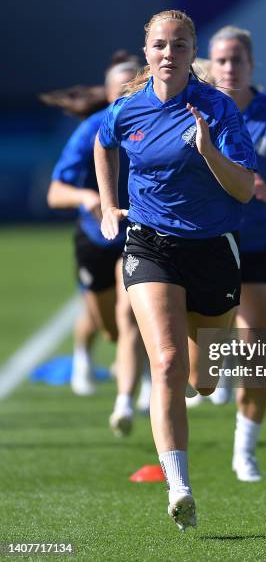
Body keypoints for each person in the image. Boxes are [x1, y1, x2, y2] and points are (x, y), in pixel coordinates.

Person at [94, 10, 256, 531]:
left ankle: (203, 377)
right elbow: (103, 142)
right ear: (147, 53)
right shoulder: (127, 110)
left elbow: (244, 188)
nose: (169, 54)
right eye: (160, 45)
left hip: (212, 248)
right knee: (164, 363)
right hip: (150, 243)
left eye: (179, 45)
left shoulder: (219, 109)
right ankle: (179, 486)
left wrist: (208, 149)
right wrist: (106, 204)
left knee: (203, 381)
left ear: (192, 52)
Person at [187, 26, 266, 483]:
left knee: (258, 349)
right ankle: (209, 370)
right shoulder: (194, 109)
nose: (228, 68)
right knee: (200, 349)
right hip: (206, 241)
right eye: (221, 60)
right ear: (209, 64)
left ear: (252, 64)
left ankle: (245, 450)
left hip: (260, 245)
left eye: (237, 59)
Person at [47, 53, 148, 436]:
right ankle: (85, 358)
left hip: (140, 236)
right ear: (105, 94)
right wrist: (87, 199)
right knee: (110, 328)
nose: (125, 91)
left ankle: (135, 394)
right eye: (117, 86)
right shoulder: (90, 131)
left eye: (132, 83)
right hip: (95, 238)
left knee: (131, 315)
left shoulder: (153, 122)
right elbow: (55, 193)